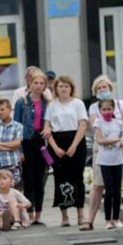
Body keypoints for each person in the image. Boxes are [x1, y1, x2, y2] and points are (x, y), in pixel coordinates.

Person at [80, 75, 123, 231]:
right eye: (99, 88)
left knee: (117, 187)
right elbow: (95, 126)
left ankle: (115, 218)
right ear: (95, 91)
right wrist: (112, 127)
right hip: (102, 150)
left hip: (120, 149)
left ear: (110, 88)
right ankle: (90, 220)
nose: (102, 90)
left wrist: (112, 122)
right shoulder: (93, 107)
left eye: (105, 87)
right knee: (98, 185)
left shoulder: (119, 103)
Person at [43, 76, 88, 227]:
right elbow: (47, 128)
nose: (63, 89)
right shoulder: (52, 105)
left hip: (76, 141)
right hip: (57, 142)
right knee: (60, 178)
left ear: (71, 88)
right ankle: (64, 216)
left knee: (77, 177)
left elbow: (83, 125)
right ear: (56, 88)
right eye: (61, 86)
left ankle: (81, 215)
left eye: (66, 86)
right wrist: (55, 148)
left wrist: (74, 146)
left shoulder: (78, 103)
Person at [13, 70, 50, 225]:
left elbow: (50, 121)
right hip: (27, 141)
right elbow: (16, 126)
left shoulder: (47, 102)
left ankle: (38, 214)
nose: (38, 86)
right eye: (36, 83)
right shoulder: (22, 102)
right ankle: (29, 213)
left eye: (41, 83)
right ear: (30, 84)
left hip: (41, 142)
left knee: (40, 179)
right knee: (29, 179)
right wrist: (19, 150)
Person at [92, 99, 123, 230]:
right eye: (104, 109)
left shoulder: (119, 123)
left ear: (113, 110)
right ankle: (108, 220)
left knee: (117, 191)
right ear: (100, 110)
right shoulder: (98, 122)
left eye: (109, 109)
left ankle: (116, 219)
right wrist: (117, 139)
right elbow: (100, 140)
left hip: (118, 160)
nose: (107, 111)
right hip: (105, 161)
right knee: (109, 190)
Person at [0, 99, 23, 187]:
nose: (0, 112)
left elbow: (16, 144)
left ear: (10, 109)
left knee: (14, 188)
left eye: (2, 109)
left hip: (13, 162)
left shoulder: (18, 126)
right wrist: (10, 146)